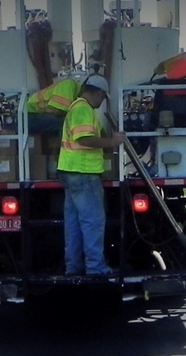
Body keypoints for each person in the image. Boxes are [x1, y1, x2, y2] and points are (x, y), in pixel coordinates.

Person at [57, 74, 126, 276]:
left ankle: (74, 267)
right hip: (83, 173)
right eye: (103, 97)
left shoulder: (77, 108)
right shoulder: (82, 109)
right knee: (93, 221)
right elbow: (85, 139)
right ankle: (96, 267)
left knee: (74, 224)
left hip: (71, 172)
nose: (102, 101)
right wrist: (112, 142)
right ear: (96, 92)